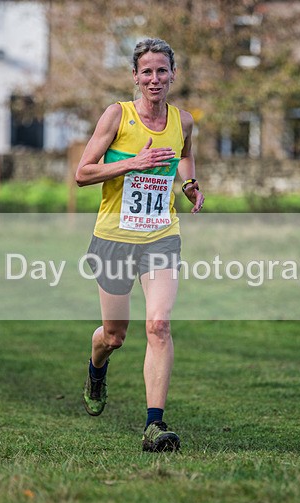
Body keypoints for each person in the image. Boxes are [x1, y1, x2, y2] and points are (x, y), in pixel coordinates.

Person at [75, 38, 205, 452]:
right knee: (114, 336)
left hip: (161, 236)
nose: (154, 79)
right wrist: (132, 162)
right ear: (135, 76)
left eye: (162, 71)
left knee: (159, 325)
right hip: (114, 238)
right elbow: (82, 173)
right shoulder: (118, 115)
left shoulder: (182, 120)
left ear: (173, 74)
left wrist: (188, 182)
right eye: (146, 71)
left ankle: (154, 425)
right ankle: (97, 370)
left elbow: (184, 154)